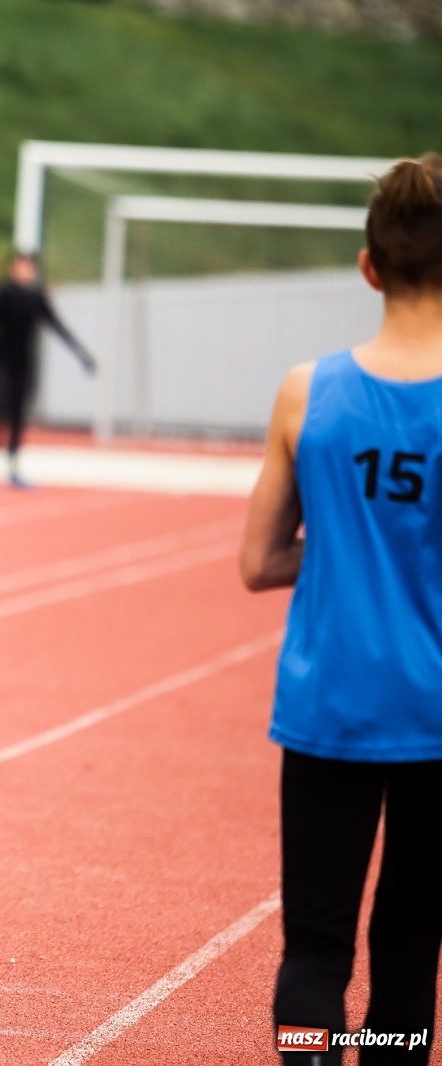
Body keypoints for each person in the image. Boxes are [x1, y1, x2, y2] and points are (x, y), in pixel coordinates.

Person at [241, 155, 442, 1065]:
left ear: (369, 266)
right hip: (434, 713)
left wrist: (342, 550)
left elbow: (258, 562)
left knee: (315, 948)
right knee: (409, 951)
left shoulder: (305, 390)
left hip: (330, 702)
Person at [0, 252, 95, 488]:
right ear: (12, 269)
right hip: (0, 361)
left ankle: (13, 466)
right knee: (1, 408)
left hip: (23, 363)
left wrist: (82, 354)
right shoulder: (3, 295)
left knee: (18, 414)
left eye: (28, 267)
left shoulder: (36, 297)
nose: (23, 271)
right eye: (19, 267)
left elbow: (58, 326)